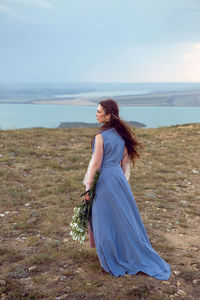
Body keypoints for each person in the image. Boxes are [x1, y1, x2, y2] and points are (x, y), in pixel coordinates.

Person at [83, 99, 171, 280]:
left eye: (99, 111)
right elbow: (124, 163)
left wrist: (88, 187)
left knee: (104, 218)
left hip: (105, 180)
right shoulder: (122, 135)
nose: (96, 113)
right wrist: (121, 182)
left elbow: (96, 164)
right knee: (123, 218)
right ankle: (130, 250)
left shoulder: (100, 137)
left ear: (108, 115)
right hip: (118, 179)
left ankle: (111, 257)